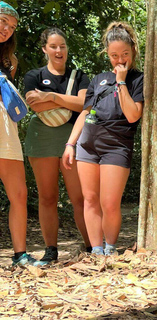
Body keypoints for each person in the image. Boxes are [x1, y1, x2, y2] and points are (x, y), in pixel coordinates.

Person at [62, 21, 144, 256]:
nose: (120, 60)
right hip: (88, 145)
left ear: (133, 52)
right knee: (90, 199)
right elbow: (85, 113)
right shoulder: (98, 79)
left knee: (109, 203)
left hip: (116, 147)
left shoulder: (137, 79)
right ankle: (96, 251)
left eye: (125, 54)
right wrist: (70, 143)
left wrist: (121, 81)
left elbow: (132, 115)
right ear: (107, 54)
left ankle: (110, 249)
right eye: (114, 55)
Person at [24, 28, 91, 265]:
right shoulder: (34, 75)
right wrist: (66, 101)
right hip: (41, 139)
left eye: (62, 46)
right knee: (47, 197)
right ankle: (50, 250)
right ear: (45, 49)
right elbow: (34, 105)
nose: (59, 50)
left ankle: (91, 247)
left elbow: (84, 103)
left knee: (80, 198)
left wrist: (51, 97)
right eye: (53, 46)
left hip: (72, 140)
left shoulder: (79, 76)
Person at [0, 2, 38, 266]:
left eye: (12, 27)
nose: (7, 30)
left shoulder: (8, 61)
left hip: (5, 126)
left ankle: (20, 255)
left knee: (19, 193)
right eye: (3, 21)